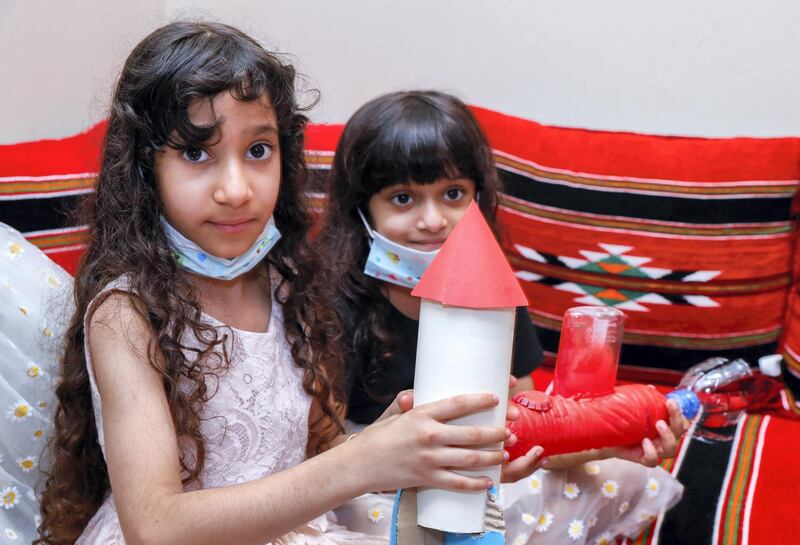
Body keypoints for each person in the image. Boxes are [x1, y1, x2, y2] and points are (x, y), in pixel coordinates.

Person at [0, 23, 521, 545]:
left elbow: (319, 454)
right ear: (144, 170)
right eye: (197, 153)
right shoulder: (126, 314)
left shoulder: (286, 283)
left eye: (258, 151)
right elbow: (155, 526)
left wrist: (397, 445)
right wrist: (361, 463)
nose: (236, 190)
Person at [316, 90, 688, 545]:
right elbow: (325, 453)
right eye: (402, 199)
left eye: (452, 194)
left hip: (480, 473)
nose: (433, 220)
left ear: (480, 196)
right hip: (375, 479)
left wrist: (614, 441)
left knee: (613, 476)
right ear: (361, 209)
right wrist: (414, 471)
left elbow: (527, 427)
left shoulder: (495, 292)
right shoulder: (331, 304)